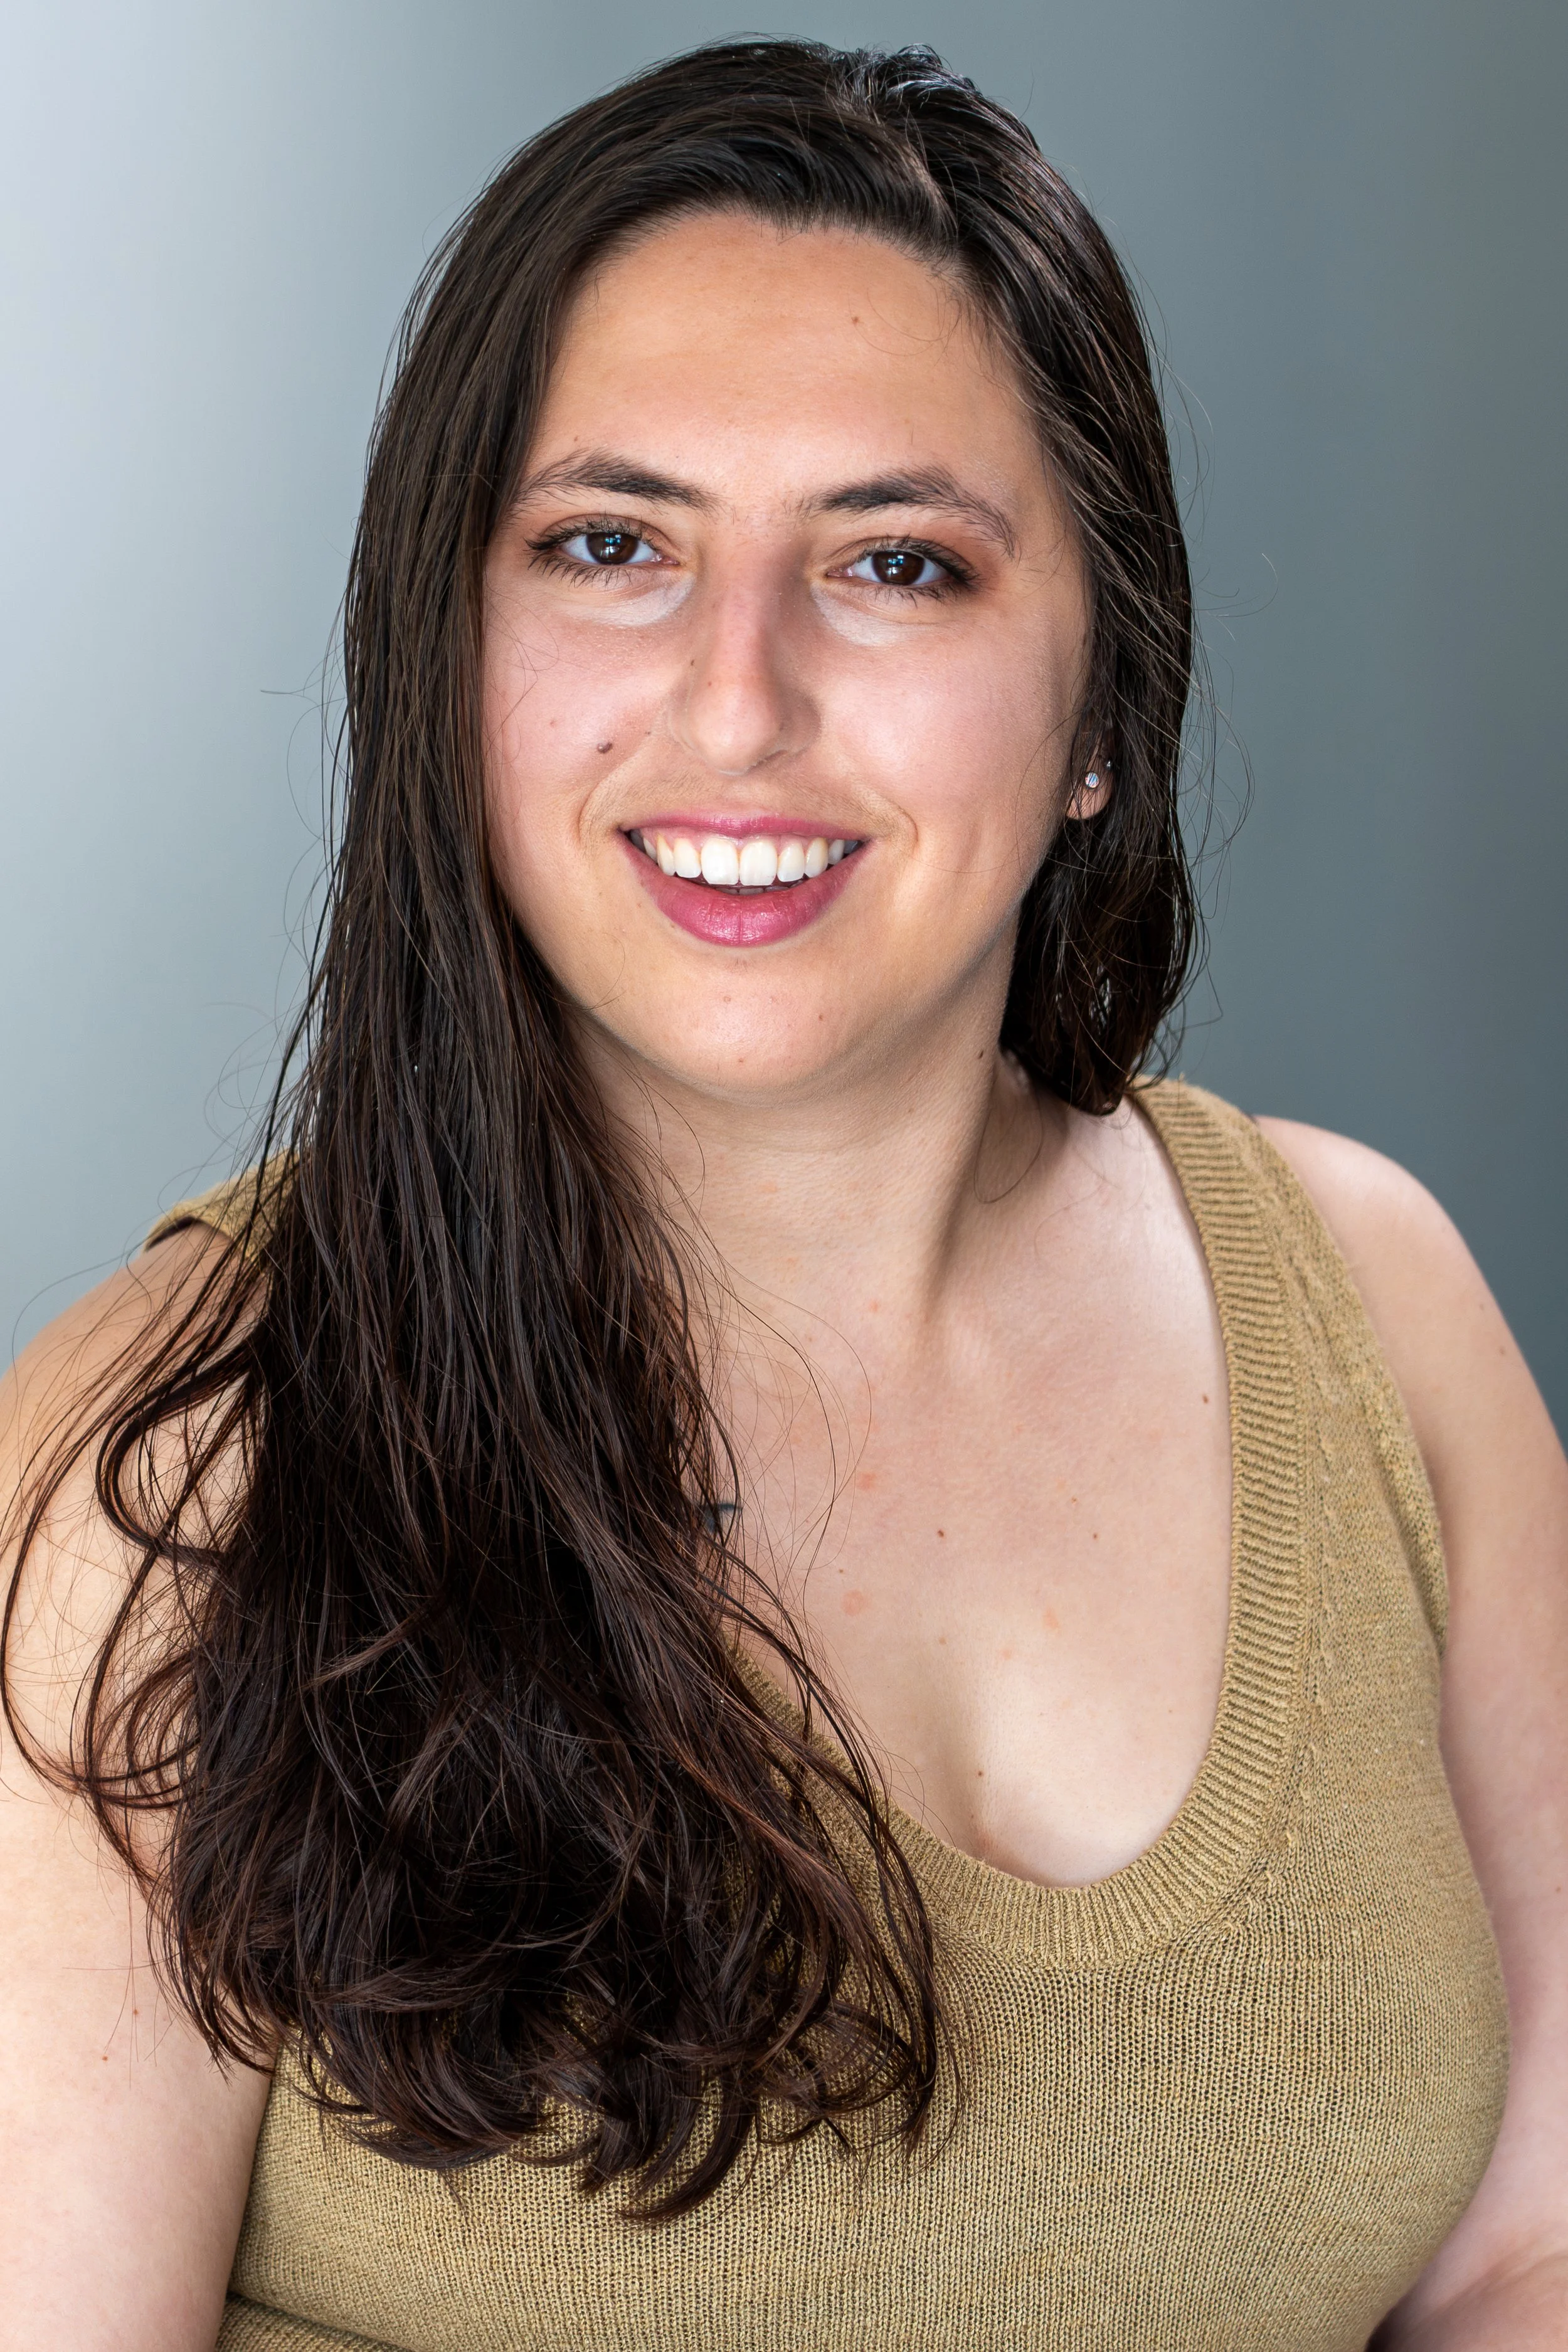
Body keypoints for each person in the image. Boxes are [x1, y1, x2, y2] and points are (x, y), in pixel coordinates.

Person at [3, 38, 1564, 2352]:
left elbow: (1531, 2253)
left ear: (1099, 708)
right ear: (447, 655)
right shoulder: (173, 1461)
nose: (737, 703)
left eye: (896, 563)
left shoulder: (1373, 1305)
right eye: (610, 547)